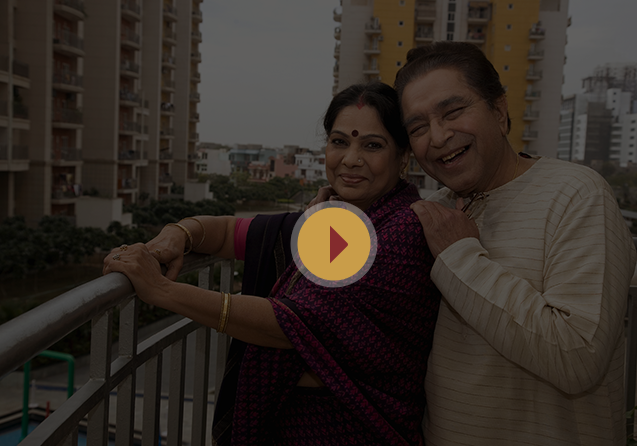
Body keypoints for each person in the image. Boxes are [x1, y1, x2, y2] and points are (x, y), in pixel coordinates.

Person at [103, 82, 441, 445]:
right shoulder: (336, 221)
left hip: (355, 432)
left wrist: (162, 290)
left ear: (402, 157)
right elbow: (230, 232)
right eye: (339, 141)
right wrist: (178, 233)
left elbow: (290, 324)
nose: (351, 159)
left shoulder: (402, 231)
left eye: (372, 145)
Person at [395, 41, 636, 445]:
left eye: (453, 112)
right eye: (418, 128)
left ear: (499, 110)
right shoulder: (434, 211)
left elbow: (579, 357)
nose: (437, 136)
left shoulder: (577, 194)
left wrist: (460, 256)